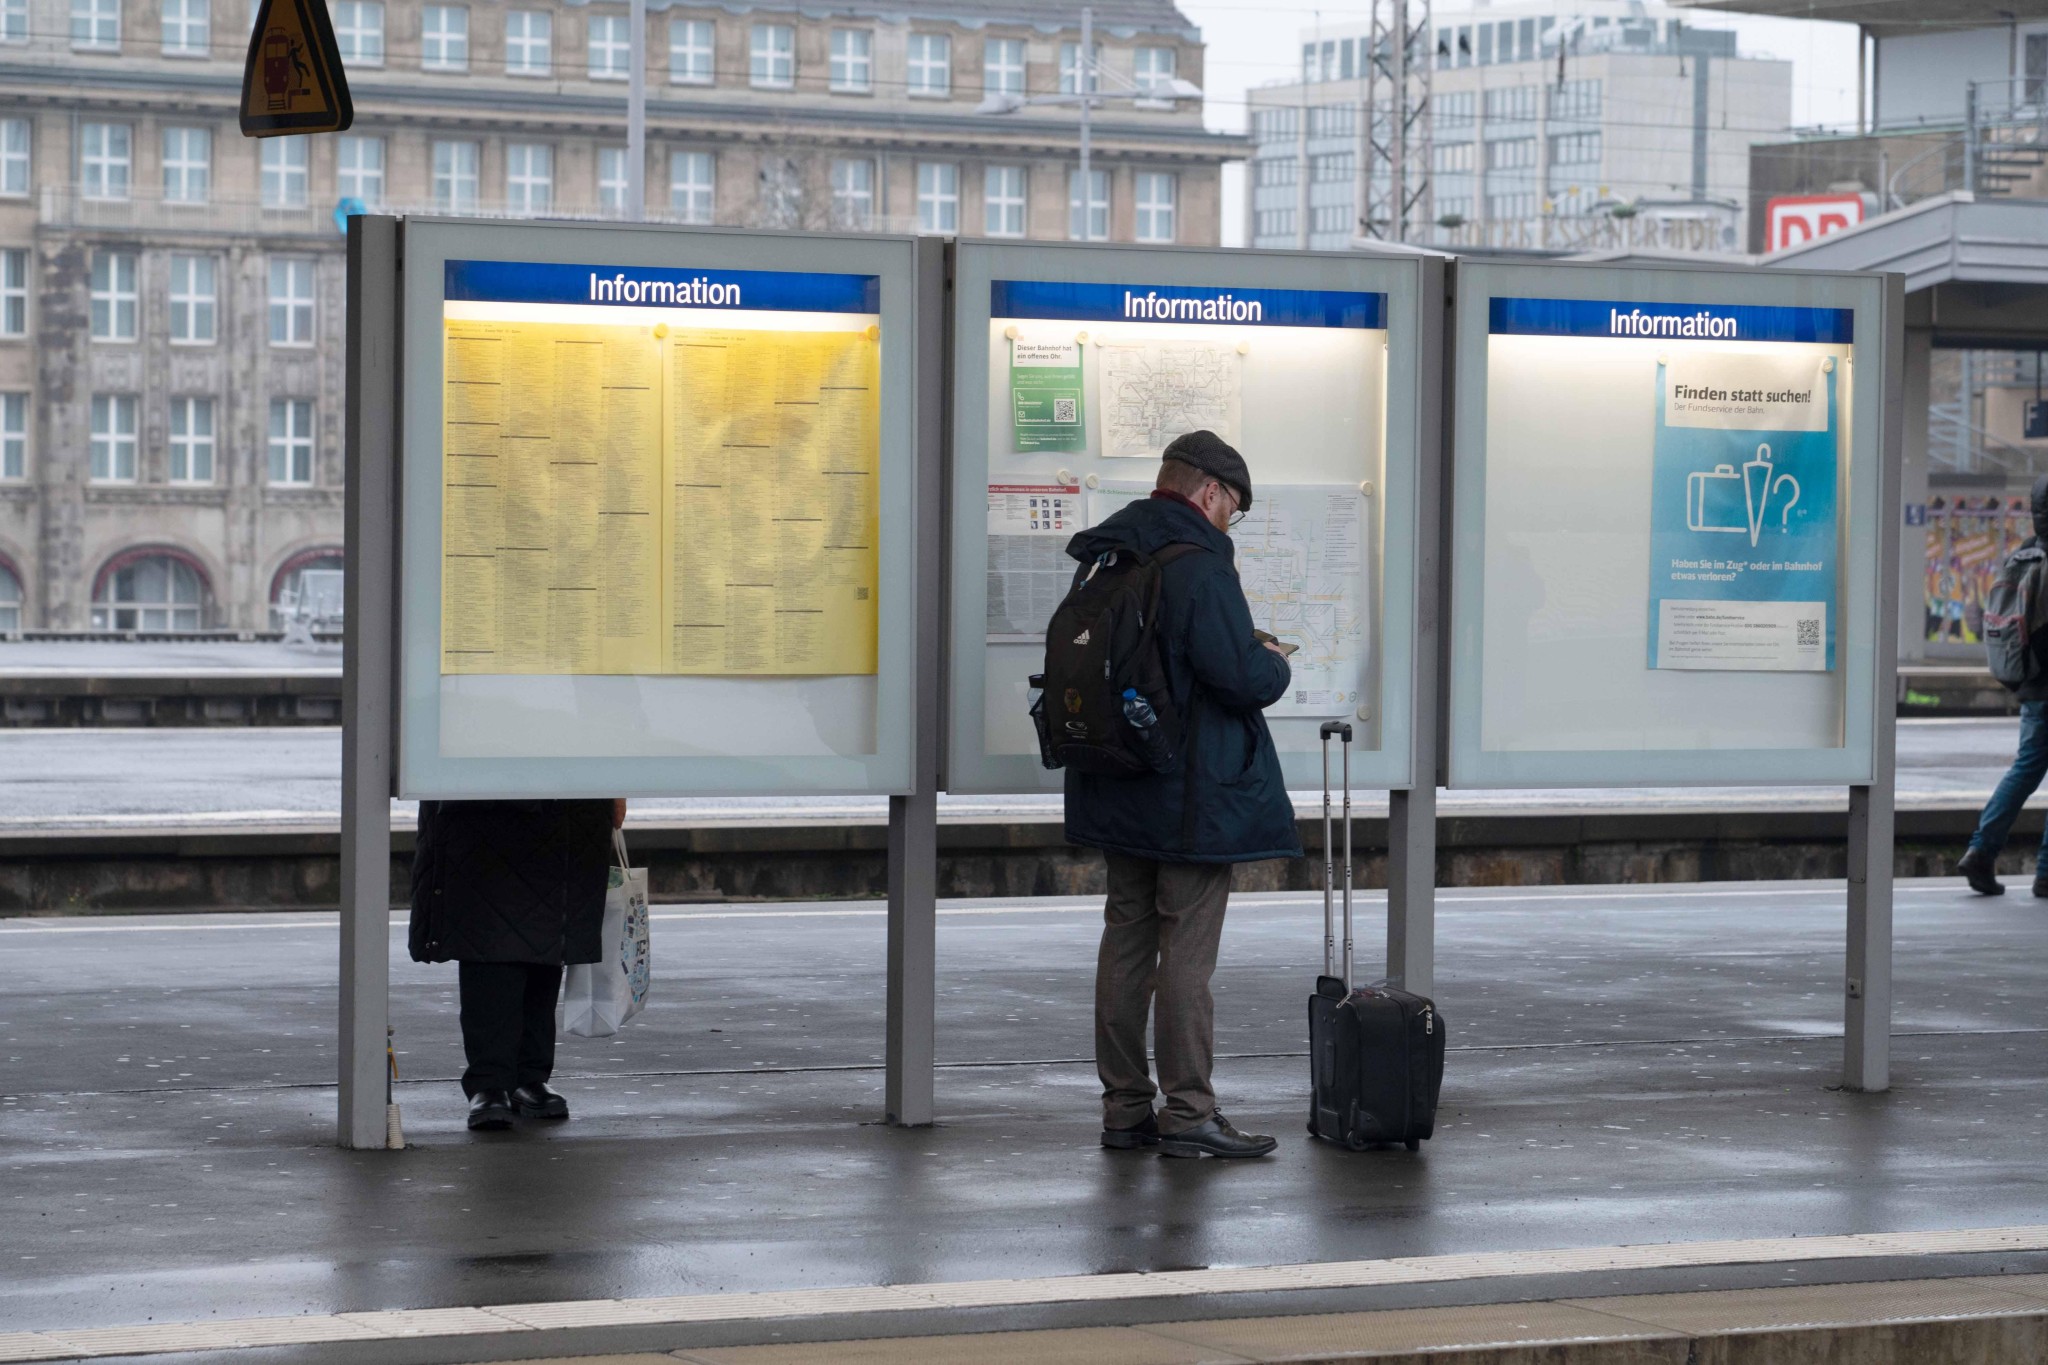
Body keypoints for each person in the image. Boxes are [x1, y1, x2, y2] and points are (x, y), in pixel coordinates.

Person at [1062, 430, 1301, 1159]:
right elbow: (1239, 678)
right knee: (1187, 955)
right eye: (1233, 507)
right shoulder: (1199, 566)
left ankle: (1125, 1107)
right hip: (1189, 796)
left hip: (1117, 782)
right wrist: (1271, 664)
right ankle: (1190, 1110)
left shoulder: (1112, 552)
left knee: (1126, 943)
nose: (1231, 521)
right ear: (1208, 494)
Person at [410, 797, 624, 1129]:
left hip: (560, 796)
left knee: (548, 931)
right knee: (489, 935)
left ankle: (525, 1077)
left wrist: (615, 786)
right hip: (489, 797)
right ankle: (495, 1080)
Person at [1959, 474, 2048, 898]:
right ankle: (2046, 873)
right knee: (2026, 770)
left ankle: (1981, 849)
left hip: (2033, 685)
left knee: (2024, 771)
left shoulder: (2025, 555)